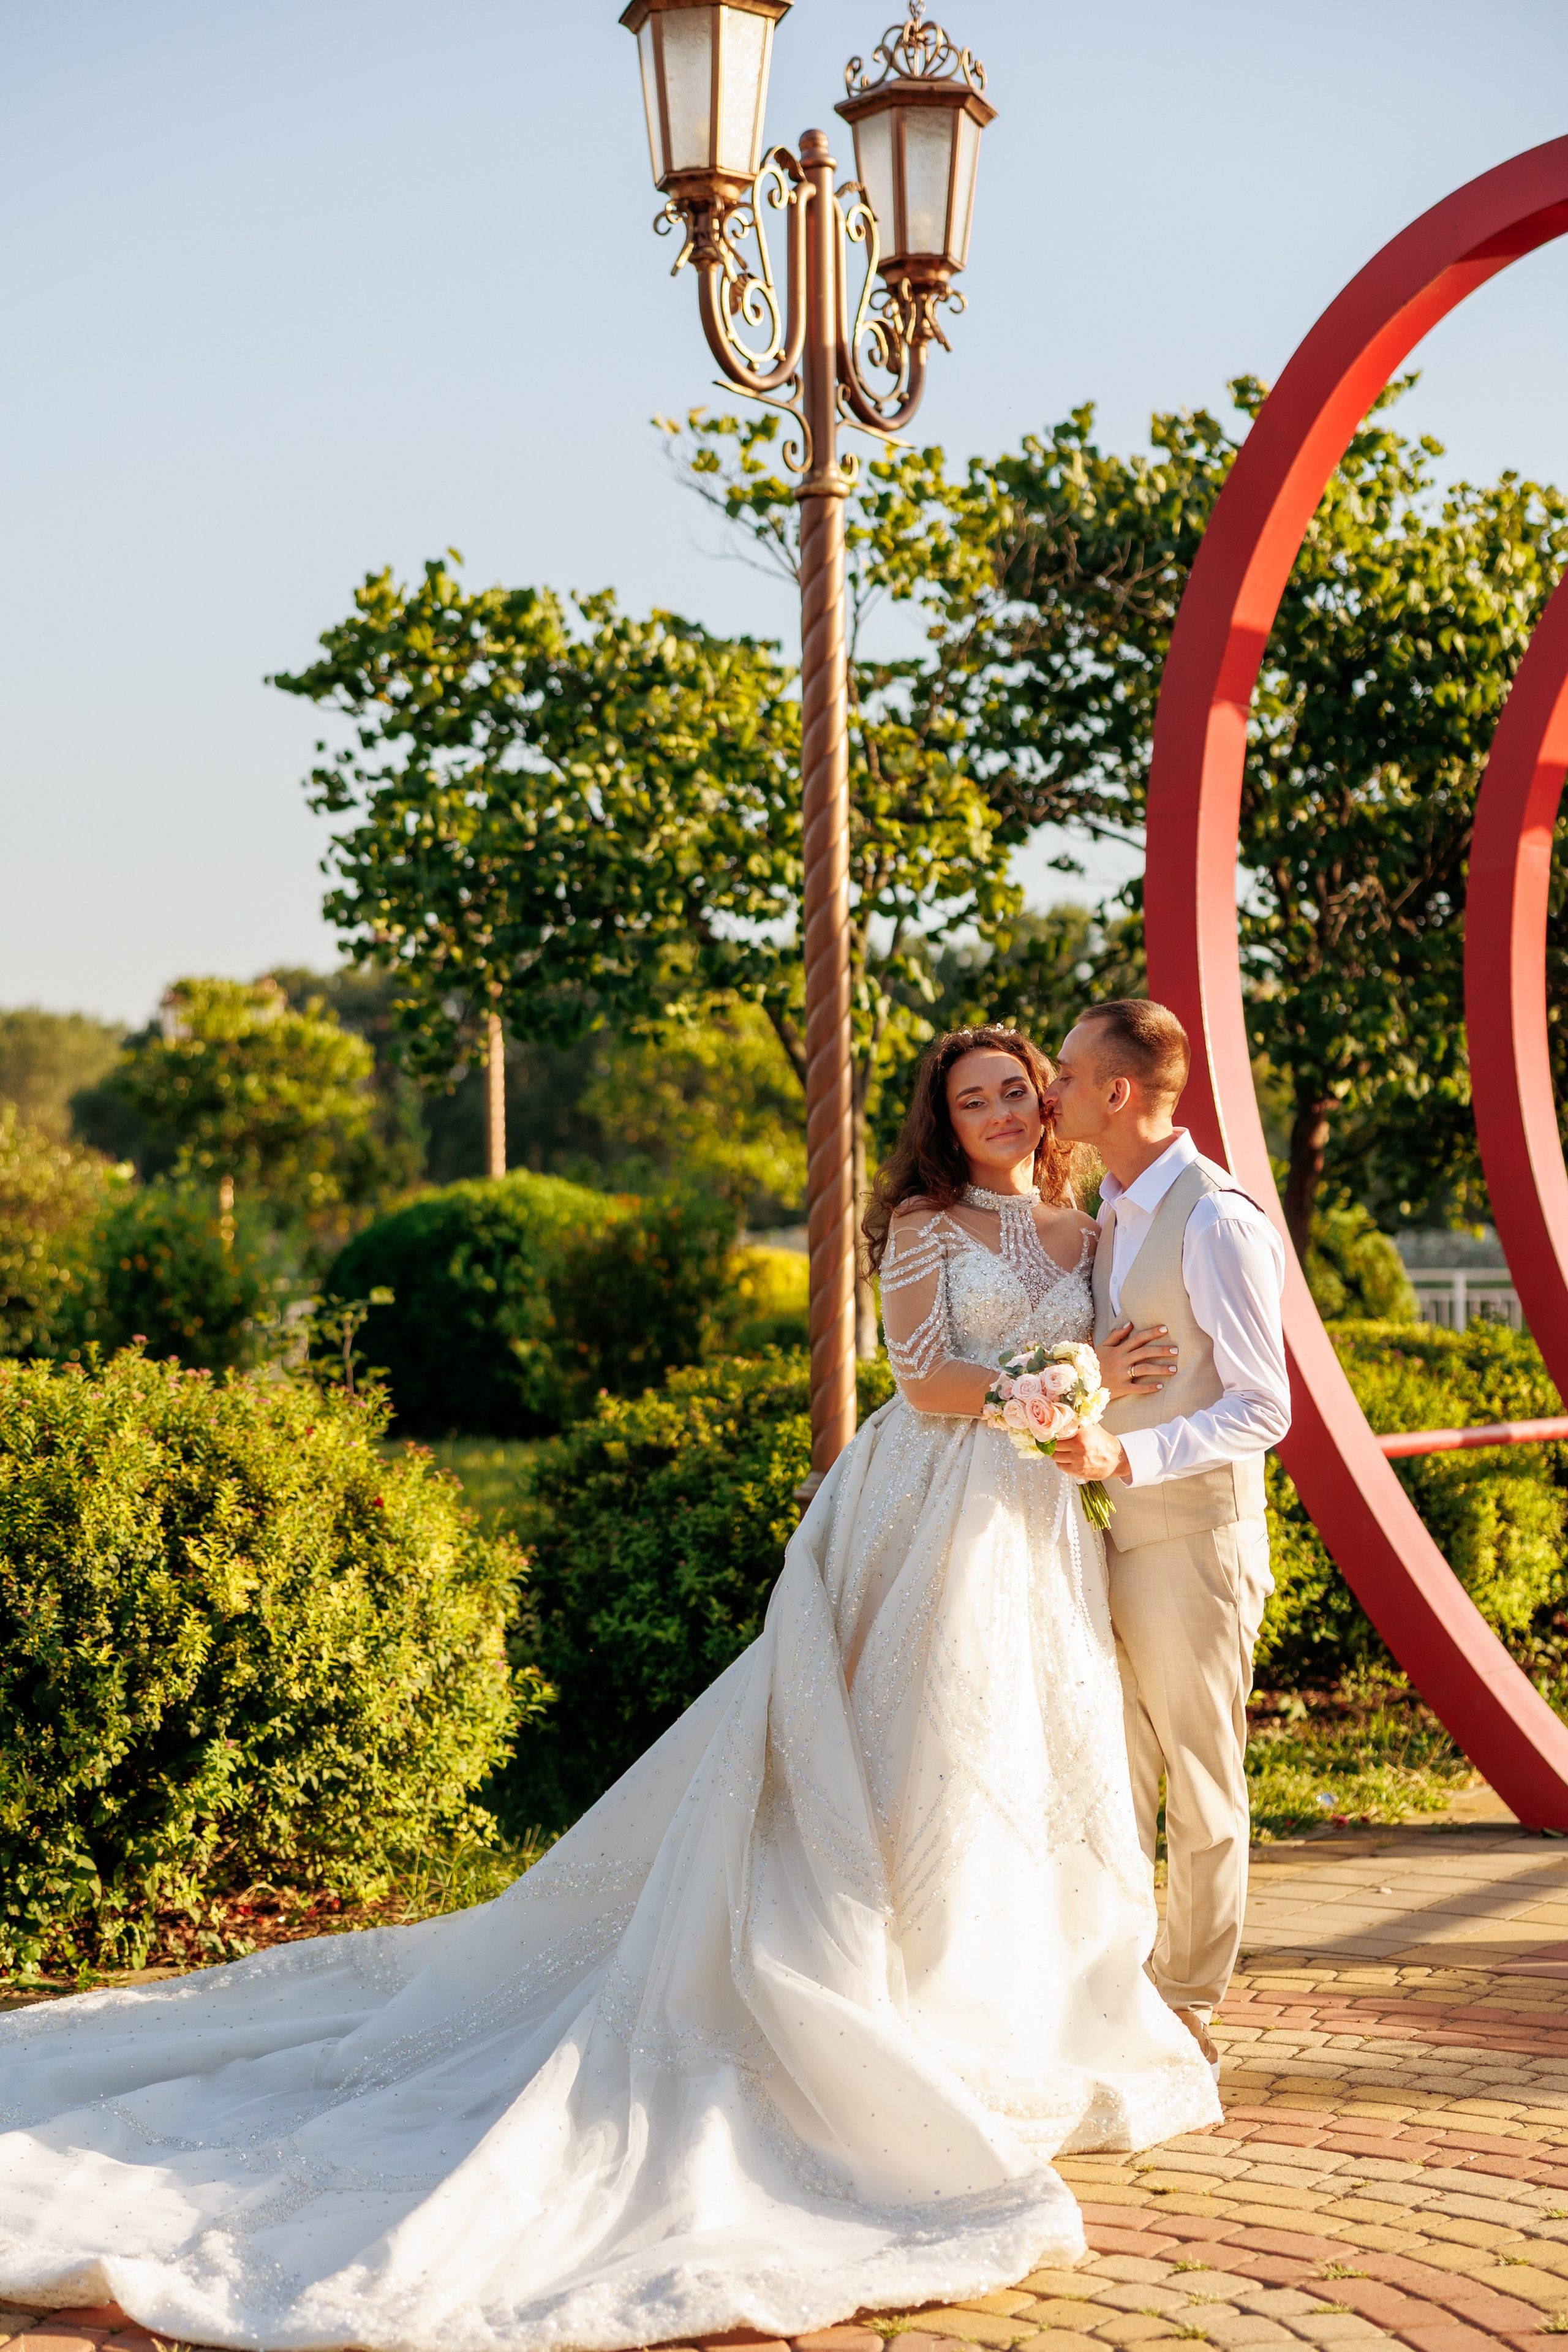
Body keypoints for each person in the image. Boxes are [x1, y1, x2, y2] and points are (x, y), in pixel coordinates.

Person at [0, 1025, 1219, 2352]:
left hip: (1037, 1524)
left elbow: (1125, 1356)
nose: (998, 1111)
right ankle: (884, 1991)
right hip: (922, 1511)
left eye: (1014, 1090)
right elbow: (921, 1379)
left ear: (1046, 1100)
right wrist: (1057, 1387)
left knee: (1015, 1760)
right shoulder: (925, 1224)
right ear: (942, 1119)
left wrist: (1105, 1392)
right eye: (970, 1097)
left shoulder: (1086, 1228)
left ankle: (1003, 1996)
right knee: (907, 1747)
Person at [1044, 1000, 1290, 2078]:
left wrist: (1127, 1456)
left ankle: (1186, 2006)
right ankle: (1123, 1991)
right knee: (1118, 1769)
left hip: (1193, 1541)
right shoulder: (1110, 1208)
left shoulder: (1216, 1221)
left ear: (1118, 1092)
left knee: (1200, 1781)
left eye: (1065, 1074)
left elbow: (1264, 1406)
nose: (1048, 1091)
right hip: (1108, 1541)